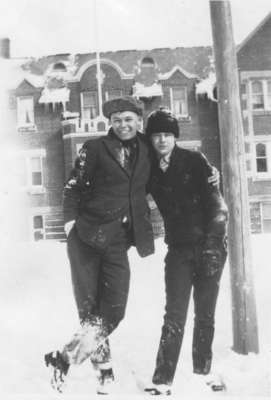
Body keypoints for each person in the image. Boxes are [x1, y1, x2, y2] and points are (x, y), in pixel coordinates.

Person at [44, 96, 155, 394]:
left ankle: (64, 357)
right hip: (86, 238)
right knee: (90, 308)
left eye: (129, 119)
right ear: (110, 122)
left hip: (118, 240)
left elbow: (170, 172)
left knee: (114, 308)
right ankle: (104, 370)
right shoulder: (94, 148)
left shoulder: (148, 150)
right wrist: (70, 226)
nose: (123, 125)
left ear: (138, 120)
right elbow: (72, 187)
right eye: (117, 120)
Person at [144, 108, 228, 396]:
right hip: (178, 250)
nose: (163, 140)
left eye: (167, 134)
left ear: (175, 137)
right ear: (150, 138)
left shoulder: (194, 160)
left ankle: (202, 372)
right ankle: (162, 380)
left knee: (205, 314)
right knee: (174, 315)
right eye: (157, 135)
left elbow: (218, 207)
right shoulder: (149, 169)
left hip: (210, 246)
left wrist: (213, 246)